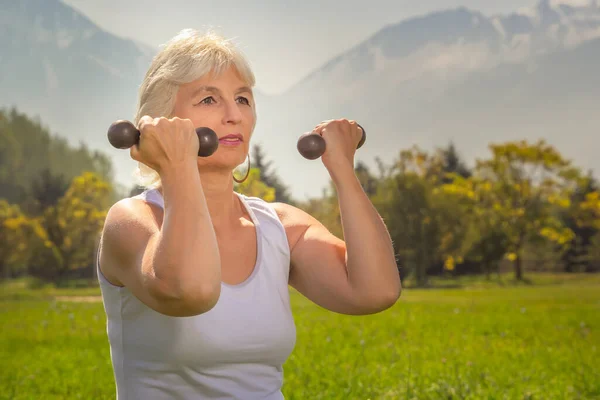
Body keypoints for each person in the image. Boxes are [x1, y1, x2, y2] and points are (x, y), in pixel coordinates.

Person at [97, 28, 401, 400]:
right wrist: (177, 167)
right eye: (208, 99)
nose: (233, 116)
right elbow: (191, 291)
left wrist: (343, 171)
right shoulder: (131, 221)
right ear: (161, 121)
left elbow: (376, 291)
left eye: (242, 99)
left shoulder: (281, 227)